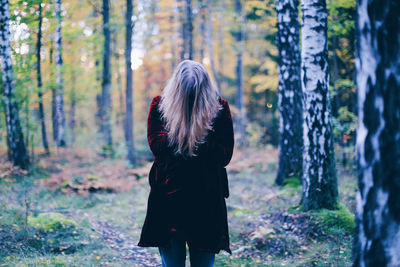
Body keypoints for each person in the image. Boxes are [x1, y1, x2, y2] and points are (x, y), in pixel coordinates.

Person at [137, 60, 234, 267]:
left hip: (206, 200)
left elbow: (224, 155)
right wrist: (187, 132)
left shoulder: (219, 107)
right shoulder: (159, 105)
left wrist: (193, 133)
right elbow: (157, 147)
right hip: (168, 200)